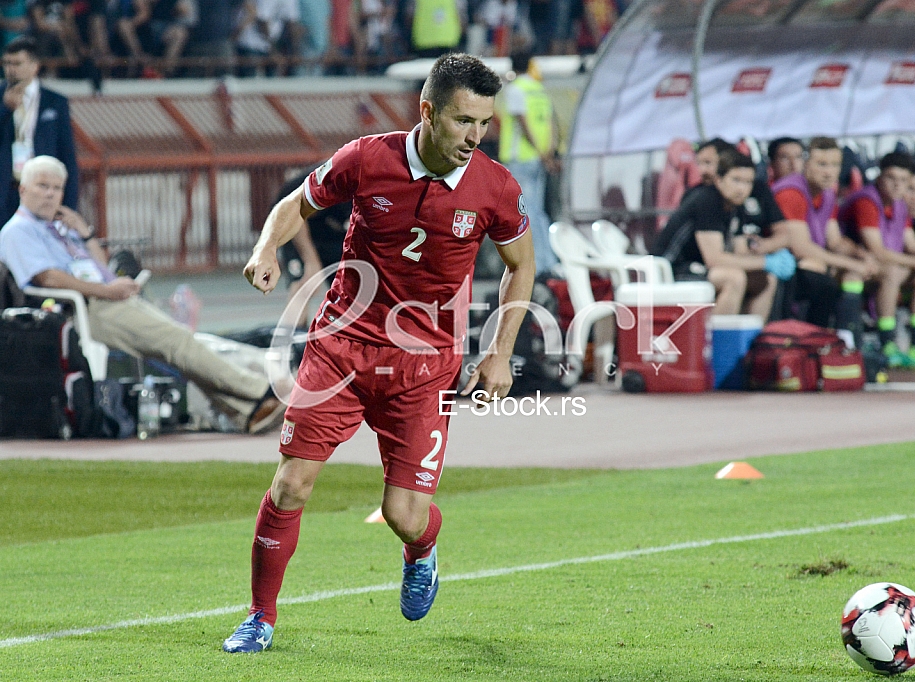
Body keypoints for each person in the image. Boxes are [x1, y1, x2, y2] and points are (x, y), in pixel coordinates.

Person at [223, 53, 535, 653]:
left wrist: (500, 351)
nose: (474, 137)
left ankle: (422, 550)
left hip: (424, 365)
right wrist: (267, 249)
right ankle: (261, 617)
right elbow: (295, 205)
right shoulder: (368, 158)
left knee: (405, 514)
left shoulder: (495, 187)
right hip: (341, 345)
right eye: (463, 121)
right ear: (428, 111)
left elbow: (521, 266)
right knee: (291, 485)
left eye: (484, 124)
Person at [0, 155, 285, 433]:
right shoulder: (18, 231)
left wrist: (84, 233)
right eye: (42, 186)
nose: (50, 194)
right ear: (23, 189)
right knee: (178, 341)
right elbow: (47, 278)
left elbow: (100, 267)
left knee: (178, 345)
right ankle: (260, 391)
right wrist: (107, 291)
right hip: (84, 311)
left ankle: (245, 411)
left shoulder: (60, 228)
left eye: (56, 188)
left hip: (107, 299)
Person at [838, 152, 915, 368]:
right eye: (892, 178)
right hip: (855, 268)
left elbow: (912, 247)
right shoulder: (867, 200)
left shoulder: (899, 205)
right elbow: (877, 251)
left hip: (883, 268)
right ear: (880, 177)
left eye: (903, 180)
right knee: (894, 272)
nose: (897, 185)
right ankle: (887, 344)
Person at [652, 147, 795, 320]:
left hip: (699, 267)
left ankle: (751, 339)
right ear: (719, 180)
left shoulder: (736, 206)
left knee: (765, 280)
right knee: (733, 278)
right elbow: (715, 259)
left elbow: (740, 252)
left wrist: (766, 255)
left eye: (748, 182)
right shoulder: (707, 201)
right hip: (669, 268)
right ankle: (718, 343)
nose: (742, 189)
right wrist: (765, 262)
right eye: (736, 180)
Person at [772, 136, 878, 348]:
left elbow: (835, 241)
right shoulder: (791, 193)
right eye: (822, 164)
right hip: (785, 265)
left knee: (856, 274)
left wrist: (861, 255)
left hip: (813, 263)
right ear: (806, 164)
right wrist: (850, 263)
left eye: (835, 165)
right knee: (822, 274)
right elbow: (800, 248)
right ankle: (813, 343)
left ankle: (849, 343)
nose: (829, 172)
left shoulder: (827, 194)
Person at [0, 36, 76, 225]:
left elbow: (67, 154)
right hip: (6, 190)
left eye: (17, 63)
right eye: (7, 63)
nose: (10, 69)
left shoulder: (55, 102)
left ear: (34, 66)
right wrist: (5, 111)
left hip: (42, 191)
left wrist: (69, 205)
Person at [497, 51, 558, 274]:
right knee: (539, 211)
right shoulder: (540, 91)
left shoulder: (516, 90)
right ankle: (549, 260)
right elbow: (551, 125)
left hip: (520, 159)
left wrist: (541, 154)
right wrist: (547, 154)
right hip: (538, 159)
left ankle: (537, 263)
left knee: (526, 211)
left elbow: (523, 125)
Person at [273, 166, 353, 328]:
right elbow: (297, 214)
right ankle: (292, 341)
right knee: (304, 283)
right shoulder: (335, 181)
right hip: (295, 221)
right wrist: (311, 262)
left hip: (331, 229)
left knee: (349, 286)